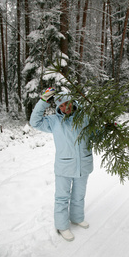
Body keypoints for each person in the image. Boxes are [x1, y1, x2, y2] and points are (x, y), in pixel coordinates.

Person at [30, 88, 93, 241]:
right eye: (62, 106)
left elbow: (95, 135)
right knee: (62, 197)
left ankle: (77, 218)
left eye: (68, 103)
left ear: (73, 102)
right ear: (58, 107)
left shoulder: (84, 118)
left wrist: (110, 128)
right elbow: (34, 122)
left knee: (79, 196)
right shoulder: (54, 121)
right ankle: (62, 226)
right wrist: (43, 101)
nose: (66, 108)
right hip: (64, 167)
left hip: (83, 164)